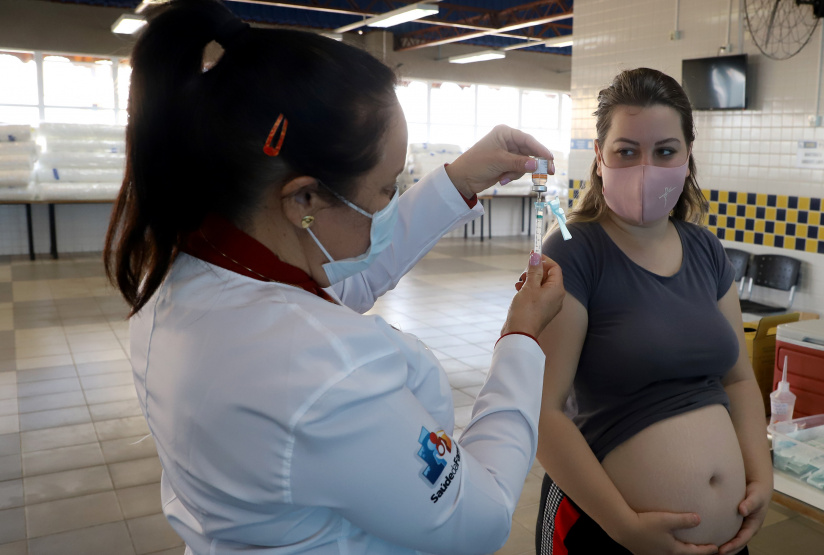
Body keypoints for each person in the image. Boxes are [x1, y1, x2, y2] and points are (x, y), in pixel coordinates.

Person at [103, 1, 565, 553]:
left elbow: (332, 291)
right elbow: (480, 517)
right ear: (304, 197)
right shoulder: (327, 376)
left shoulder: (187, 282)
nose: (390, 206)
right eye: (388, 188)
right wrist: (521, 339)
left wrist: (460, 179)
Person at [531, 68, 772, 555]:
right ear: (600, 157)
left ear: (687, 157)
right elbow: (541, 411)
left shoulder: (705, 250)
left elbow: (739, 380)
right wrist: (624, 527)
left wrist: (761, 479)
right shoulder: (575, 253)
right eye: (627, 151)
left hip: (728, 539)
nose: (646, 166)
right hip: (608, 532)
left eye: (665, 150)